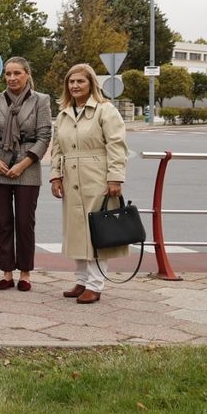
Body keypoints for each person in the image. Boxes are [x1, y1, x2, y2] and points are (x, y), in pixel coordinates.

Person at [49, 63, 128, 305]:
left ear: (91, 83)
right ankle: (82, 279)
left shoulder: (106, 110)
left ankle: (95, 284)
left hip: (97, 176)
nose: (75, 86)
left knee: (96, 231)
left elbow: (116, 145)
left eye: (80, 81)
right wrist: (55, 175)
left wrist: (115, 177)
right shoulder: (63, 114)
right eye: (71, 82)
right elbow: (57, 149)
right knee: (76, 232)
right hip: (71, 177)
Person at [0, 57, 52, 292]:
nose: (12, 78)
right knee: (2, 222)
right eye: (8, 74)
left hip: (28, 165)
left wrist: (23, 164)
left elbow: (44, 136)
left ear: (27, 74)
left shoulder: (41, 100)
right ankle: (6, 272)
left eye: (17, 73)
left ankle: (25, 273)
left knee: (25, 222)